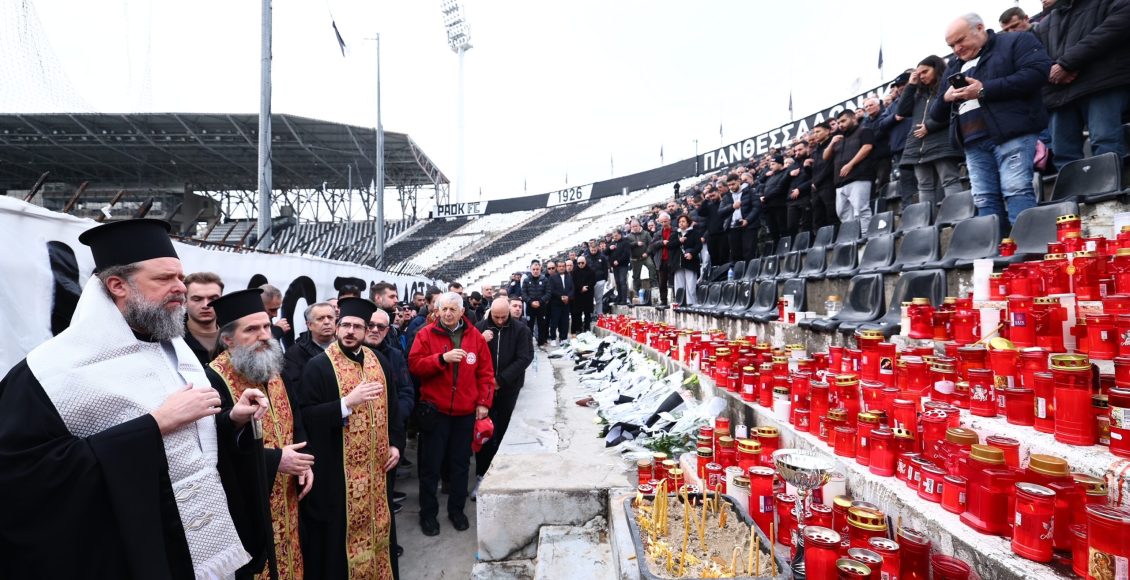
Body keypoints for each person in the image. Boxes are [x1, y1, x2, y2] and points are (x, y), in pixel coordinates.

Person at [0, 218, 268, 578]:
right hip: (130, 554)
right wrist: (153, 426)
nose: (180, 289)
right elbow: (26, 477)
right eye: (164, 279)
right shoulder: (50, 372)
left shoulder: (180, 353)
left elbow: (190, 449)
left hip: (205, 551)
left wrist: (230, 421)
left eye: (180, 278)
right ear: (117, 285)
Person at [206, 288, 313, 580]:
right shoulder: (212, 379)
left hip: (288, 496)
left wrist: (302, 462)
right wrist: (276, 459)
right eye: (252, 329)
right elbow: (213, 451)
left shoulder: (275, 368)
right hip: (247, 506)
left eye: (266, 325)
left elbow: (297, 419)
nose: (265, 334)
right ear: (228, 340)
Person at [298, 297, 403, 579]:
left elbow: (393, 407)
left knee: (379, 531)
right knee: (340, 543)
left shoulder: (379, 361)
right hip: (338, 476)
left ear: (365, 330)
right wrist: (346, 403)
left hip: (376, 474)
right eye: (344, 324)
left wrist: (395, 443)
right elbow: (306, 415)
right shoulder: (319, 366)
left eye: (357, 326)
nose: (349, 331)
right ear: (337, 327)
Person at [930, 13, 1052, 237]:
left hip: (1012, 132)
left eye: (961, 41)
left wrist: (984, 90)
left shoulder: (1016, 41)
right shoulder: (954, 66)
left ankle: (1026, 251)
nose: (956, 49)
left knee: (1016, 190)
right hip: (972, 141)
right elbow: (935, 115)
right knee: (984, 198)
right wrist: (945, 98)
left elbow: (1037, 73)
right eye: (951, 45)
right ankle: (994, 254)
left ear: (980, 28)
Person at [408, 292, 494, 537]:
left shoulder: (474, 337)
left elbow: (486, 373)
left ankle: (457, 510)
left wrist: (483, 402)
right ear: (437, 311)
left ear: (461, 312)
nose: (447, 313)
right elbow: (414, 365)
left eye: (452, 309)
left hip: (465, 413)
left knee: (459, 465)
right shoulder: (425, 335)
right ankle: (428, 514)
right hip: (436, 411)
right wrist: (441, 359)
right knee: (431, 467)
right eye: (443, 309)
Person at [1035, 0, 1130, 169]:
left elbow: (1112, 30)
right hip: (1059, 93)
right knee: (1062, 151)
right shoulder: (1045, 23)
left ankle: (1110, 194)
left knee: (1105, 141)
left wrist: (1067, 64)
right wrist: (1051, 71)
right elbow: (1034, 57)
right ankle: (1072, 195)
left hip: (1101, 85)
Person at [472, 298, 534, 495]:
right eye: (496, 317)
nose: (499, 321)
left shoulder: (520, 329)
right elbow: (470, 356)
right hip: (484, 390)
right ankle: (482, 475)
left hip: (508, 388)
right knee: (484, 432)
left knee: (505, 430)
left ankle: (505, 473)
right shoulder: (480, 327)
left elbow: (524, 357)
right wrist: (480, 340)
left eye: (503, 317)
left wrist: (501, 380)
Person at [898, 55, 966, 204]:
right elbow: (901, 111)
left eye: (925, 71)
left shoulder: (947, 86)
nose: (921, 76)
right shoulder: (917, 92)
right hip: (917, 147)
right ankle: (926, 224)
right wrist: (911, 85)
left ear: (936, 69)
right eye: (919, 73)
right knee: (924, 186)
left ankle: (957, 217)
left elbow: (956, 110)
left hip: (941, 142)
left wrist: (930, 126)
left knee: (949, 180)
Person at [825, 109, 876, 232]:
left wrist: (851, 164)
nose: (840, 124)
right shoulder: (838, 138)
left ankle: (866, 240)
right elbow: (825, 157)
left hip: (859, 177)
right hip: (840, 182)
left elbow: (867, 147)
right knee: (843, 213)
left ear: (853, 118)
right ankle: (853, 239)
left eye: (843, 121)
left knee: (861, 210)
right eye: (839, 122)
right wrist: (831, 143)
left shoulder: (864, 130)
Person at [282, 302, 337, 396]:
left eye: (330, 317)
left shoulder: (347, 346)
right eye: (320, 318)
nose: (327, 322)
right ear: (309, 325)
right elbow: (295, 389)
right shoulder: (295, 353)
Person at [184, 271, 225, 366]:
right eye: (197, 299)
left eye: (213, 299)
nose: (206, 305)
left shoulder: (236, 336)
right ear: (184, 301)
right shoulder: (172, 340)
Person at [808, 122, 839, 231]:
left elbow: (830, 165)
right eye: (814, 132)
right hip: (816, 188)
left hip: (828, 184)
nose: (815, 134)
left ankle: (834, 239)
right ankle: (821, 244)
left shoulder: (833, 143)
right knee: (818, 217)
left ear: (827, 131)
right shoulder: (816, 149)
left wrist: (817, 182)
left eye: (818, 131)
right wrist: (807, 167)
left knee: (831, 214)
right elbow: (815, 170)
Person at [648, 212, 679, 307]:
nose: (664, 223)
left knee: (674, 282)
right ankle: (664, 301)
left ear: (669, 220)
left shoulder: (676, 231)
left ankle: (678, 300)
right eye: (661, 222)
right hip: (661, 261)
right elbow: (652, 246)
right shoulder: (658, 233)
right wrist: (662, 242)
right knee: (662, 283)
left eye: (665, 221)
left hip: (673, 259)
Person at [673, 214, 703, 305]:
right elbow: (670, 245)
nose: (681, 223)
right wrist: (679, 241)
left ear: (688, 223)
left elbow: (699, 246)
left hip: (691, 261)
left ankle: (691, 303)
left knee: (691, 284)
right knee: (679, 284)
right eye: (679, 222)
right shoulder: (676, 234)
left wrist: (692, 254)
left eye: (683, 221)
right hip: (678, 262)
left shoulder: (695, 233)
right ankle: (679, 302)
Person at [521, 260, 551, 346]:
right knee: (529, 326)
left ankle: (541, 342)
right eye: (533, 269)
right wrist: (530, 302)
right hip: (530, 307)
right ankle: (529, 343)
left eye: (537, 269)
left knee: (542, 325)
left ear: (540, 269)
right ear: (531, 269)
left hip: (542, 307)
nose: (535, 271)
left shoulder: (545, 279)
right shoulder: (526, 280)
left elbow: (548, 293)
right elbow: (523, 294)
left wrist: (540, 301)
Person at [546, 261, 573, 345]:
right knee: (554, 321)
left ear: (565, 267)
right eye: (559, 266)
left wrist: (568, 297)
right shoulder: (553, 277)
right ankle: (553, 338)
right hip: (556, 303)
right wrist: (561, 296)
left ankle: (563, 337)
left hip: (566, 303)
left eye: (563, 266)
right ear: (557, 268)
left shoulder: (569, 276)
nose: (561, 268)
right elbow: (552, 290)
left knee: (565, 321)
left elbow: (572, 288)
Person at [625, 220, 654, 294]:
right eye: (633, 227)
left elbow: (651, 244)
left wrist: (647, 253)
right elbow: (627, 246)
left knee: (651, 266)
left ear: (639, 225)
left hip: (646, 256)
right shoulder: (628, 236)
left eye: (636, 226)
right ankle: (636, 292)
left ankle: (654, 287)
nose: (634, 228)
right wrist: (635, 243)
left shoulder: (646, 233)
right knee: (636, 276)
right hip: (635, 259)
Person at [570, 255, 597, 334]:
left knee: (587, 313)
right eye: (579, 263)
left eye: (582, 263)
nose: (580, 264)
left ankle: (587, 328)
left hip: (588, 294)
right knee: (578, 313)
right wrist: (581, 288)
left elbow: (593, 281)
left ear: (585, 262)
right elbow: (573, 283)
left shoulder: (591, 271)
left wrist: (587, 287)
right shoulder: (574, 272)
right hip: (578, 294)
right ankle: (578, 328)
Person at [608, 230, 632, 305]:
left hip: (623, 265)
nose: (615, 237)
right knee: (617, 282)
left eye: (616, 236)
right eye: (614, 236)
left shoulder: (625, 242)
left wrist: (618, 261)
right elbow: (605, 253)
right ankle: (619, 298)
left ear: (620, 234)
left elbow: (626, 254)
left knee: (622, 281)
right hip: (615, 266)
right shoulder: (612, 243)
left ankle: (624, 299)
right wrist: (609, 248)